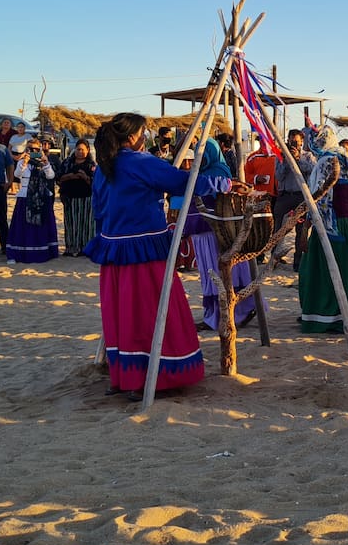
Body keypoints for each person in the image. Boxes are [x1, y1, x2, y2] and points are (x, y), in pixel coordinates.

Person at [85, 113, 240, 399]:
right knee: (147, 311)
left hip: (115, 249)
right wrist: (224, 185)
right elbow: (183, 181)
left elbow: (99, 207)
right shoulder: (139, 162)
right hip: (141, 252)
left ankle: (126, 377)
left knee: (123, 312)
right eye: (143, 133)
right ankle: (150, 376)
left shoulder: (105, 166)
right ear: (132, 137)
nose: (147, 138)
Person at [185, 139, 257, 331]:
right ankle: (216, 315)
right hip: (203, 231)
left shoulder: (217, 173)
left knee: (217, 274)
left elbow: (221, 199)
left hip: (214, 232)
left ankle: (228, 315)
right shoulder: (200, 173)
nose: (200, 157)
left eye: (203, 152)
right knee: (212, 274)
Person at [298, 125, 348, 336]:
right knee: (341, 271)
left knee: (322, 272)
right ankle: (343, 317)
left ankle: (324, 318)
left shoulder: (326, 162)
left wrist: (308, 225)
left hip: (328, 225)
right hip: (343, 223)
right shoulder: (346, 160)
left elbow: (319, 198)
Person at [6, 135, 59, 264]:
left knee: (40, 225)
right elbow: (17, 174)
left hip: (41, 196)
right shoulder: (22, 162)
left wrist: (46, 163)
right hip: (25, 195)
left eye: (36, 149)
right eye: (30, 149)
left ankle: (43, 251)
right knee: (23, 226)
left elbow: (51, 176)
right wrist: (24, 162)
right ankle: (19, 253)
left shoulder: (43, 162)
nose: (33, 152)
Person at [272, 128, 315, 272]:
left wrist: (297, 159)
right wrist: (286, 160)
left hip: (300, 195)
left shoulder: (308, 156)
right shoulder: (280, 156)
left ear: (302, 142)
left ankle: (298, 261)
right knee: (278, 228)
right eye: (291, 141)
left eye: (296, 141)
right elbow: (278, 176)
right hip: (284, 195)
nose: (293, 144)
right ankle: (274, 258)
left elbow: (311, 170)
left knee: (301, 230)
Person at [57, 139, 96, 257]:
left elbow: (96, 183)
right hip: (69, 197)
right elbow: (58, 178)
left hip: (86, 197)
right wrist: (69, 176)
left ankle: (85, 248)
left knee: (86, 224)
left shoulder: (91, 165)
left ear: (88, 150)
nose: (80, 152)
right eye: (78, 149)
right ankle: (71, 247)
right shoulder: (67, 163)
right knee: (71, 223)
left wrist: (85, 177)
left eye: (83, 150)